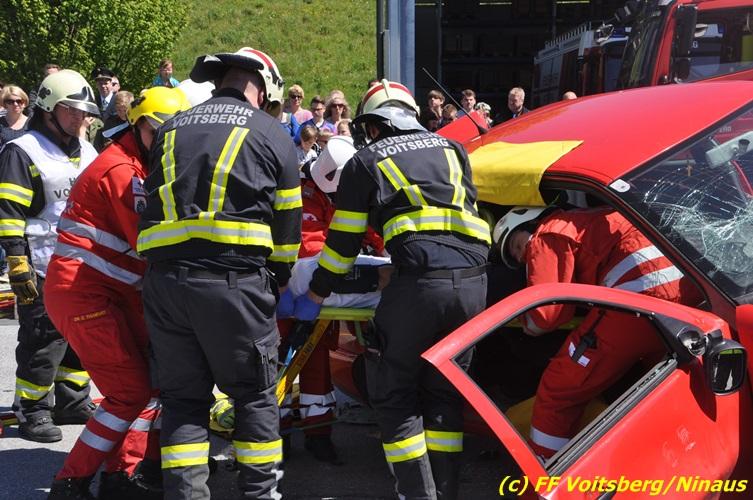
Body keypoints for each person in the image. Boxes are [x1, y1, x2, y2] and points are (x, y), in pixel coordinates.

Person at [293, 79, 490, 499]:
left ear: (374, 125)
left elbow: (342, 245)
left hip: (419, 286)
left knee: (395, 395)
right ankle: (445, 493)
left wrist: (316, 293)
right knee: (444, 394)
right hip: (474, 284)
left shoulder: (368, 160)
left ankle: (417, 495)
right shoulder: (453, 149)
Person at [136, 46, 301, 500]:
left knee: (183, 401)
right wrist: (278, 278)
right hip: (234, 285)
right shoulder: (270, 131)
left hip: (166, 285)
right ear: (263, 86)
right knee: (254, 396)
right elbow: (288, 225)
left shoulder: (171, 128)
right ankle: (259, 494)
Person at [43, 86, 190, 500]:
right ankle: (70, 483)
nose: (164, 142)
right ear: (137, 125)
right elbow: (149, 243)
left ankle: (122, 474)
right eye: (157, 132)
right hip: (85, 291)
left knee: (151, 384)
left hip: (111, 290)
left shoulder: (137, 165)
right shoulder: (122, 172)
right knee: (128, 392)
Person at [493, 206, 702, 459]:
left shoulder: (546, 234)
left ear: (529, 223)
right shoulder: (589, 219)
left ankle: (544, 472)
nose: (521, 257)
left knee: (558, 390)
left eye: (516, 245)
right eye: (516, 257)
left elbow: (546, 317)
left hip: (640, 295)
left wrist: (524, 322)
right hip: (685, 287)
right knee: (665, 380)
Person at [0, 69, 99, 444]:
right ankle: (32, 408)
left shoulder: (87, 150)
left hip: (83, 264)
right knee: (43, 340)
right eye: (71, 109)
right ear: (47, 108)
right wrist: (17, 262)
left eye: (83, 111)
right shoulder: (23, 151)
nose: (79, 117)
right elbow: (9, 212)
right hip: (41, 262)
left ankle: (72, 401)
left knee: (79, 336)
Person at [279, 135, 387, 464]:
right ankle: (277, 437)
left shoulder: (340, 192)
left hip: (320, 293)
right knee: (280, 365)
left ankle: (319, 434)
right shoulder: (301, 194)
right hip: (291, 290)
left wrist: (382, 248)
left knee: (317, 365)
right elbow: (310, 248)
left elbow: (367, 230)